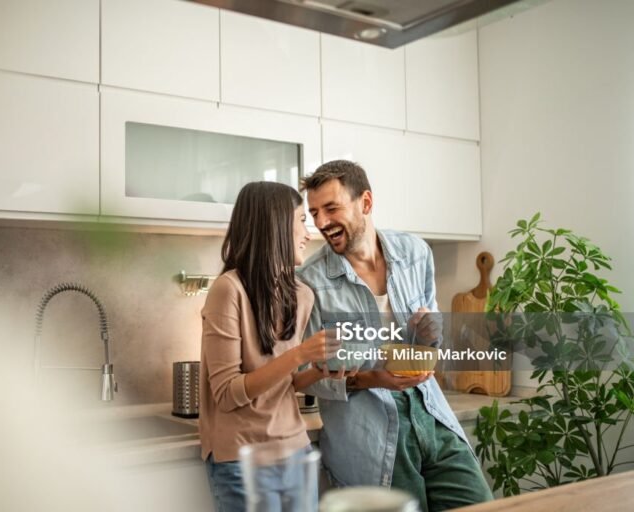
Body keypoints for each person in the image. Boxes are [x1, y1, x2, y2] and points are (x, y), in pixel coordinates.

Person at [297, 161, 494, 512]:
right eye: (314, 212)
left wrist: (431, 333)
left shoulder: (415, 253)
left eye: (331, 208)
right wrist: (376, 379)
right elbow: (307, 378)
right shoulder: (311, 282)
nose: (321, 223)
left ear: (366, 203)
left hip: (432, 415)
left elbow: (431, 342)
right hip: (371, 438)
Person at [199, 181, 341, 512]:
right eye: (301, 220)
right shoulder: (228, 290)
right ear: (276, 225)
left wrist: (321, 370)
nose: (309, 232)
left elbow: (287, 381)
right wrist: (301, 354)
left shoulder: (301, 295)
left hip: (296, 451)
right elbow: (227, 392)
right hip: (242, 461)